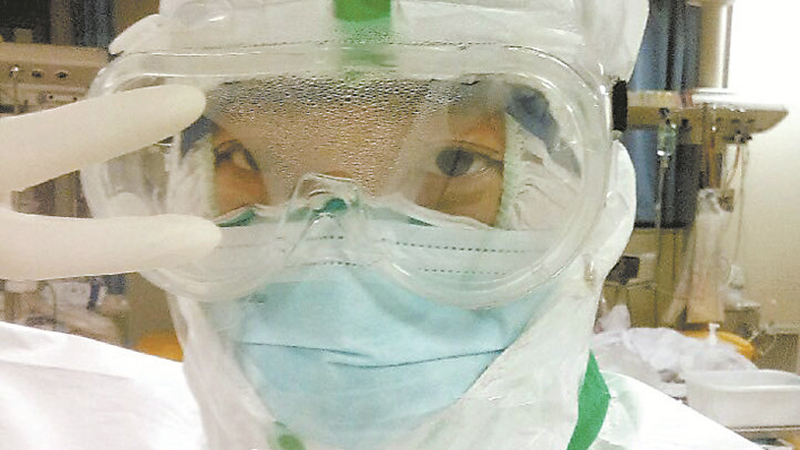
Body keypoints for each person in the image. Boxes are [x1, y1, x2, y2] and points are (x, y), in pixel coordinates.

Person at [0, 1, 765, 450]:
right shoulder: (103, 423)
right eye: (244, 159)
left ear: (597, 202)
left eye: (456, 164)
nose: (335, 260)